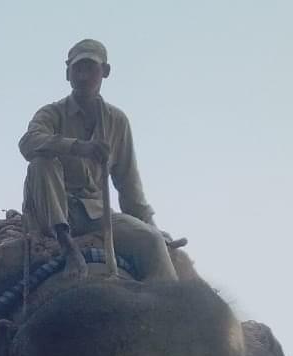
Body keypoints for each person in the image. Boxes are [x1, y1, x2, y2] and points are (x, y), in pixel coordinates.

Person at [19, 39, 178, 282]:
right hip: (52, 213)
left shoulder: (117, 121)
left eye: (90, 69)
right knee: (42, 161)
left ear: (105, 71)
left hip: (96, 214)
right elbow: (28, 142)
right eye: (77, 69)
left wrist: (152, 228)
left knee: (152, 242)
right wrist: (78, 147)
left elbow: (128, 184)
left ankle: (172, 311)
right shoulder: (51, 113)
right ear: (67, 72)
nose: (82, 76)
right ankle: (67, 246)